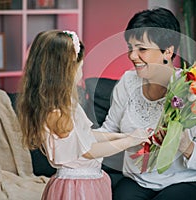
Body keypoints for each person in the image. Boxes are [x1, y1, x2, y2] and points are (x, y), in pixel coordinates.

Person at [98, 7, 196, 200]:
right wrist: (77, 137)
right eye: (130, 48)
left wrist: (187, 146)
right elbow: (109, 129)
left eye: (141, 49)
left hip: (189, 181)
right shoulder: (127, 82)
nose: (132, 56)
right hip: (138, 180)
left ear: (167, 51)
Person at [16, 30, 150, 200]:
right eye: (80, 67)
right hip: (77, 188)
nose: (81, 72)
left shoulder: (65, 104)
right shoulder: (56, 112)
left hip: (88, 180)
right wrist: (128, 141)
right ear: (65, 70)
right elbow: (87, 150)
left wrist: (121, 135)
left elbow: (84, 136)